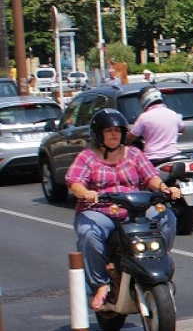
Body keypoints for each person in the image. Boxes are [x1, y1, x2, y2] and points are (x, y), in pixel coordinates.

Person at [66, 109, 180, 311]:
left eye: (117, 130)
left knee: (166, 216)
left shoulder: (134, 154)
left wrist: (164, 189)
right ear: (98, 134)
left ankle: (158, 261)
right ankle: (101, 284)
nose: (114, 134)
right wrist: (85, 192)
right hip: (101, 211)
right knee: (88, 233)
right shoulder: (87, 157)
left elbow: (150, 177)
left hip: (135, 210)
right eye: (108, 130)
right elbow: (74, 182)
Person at [128, 86, 183, 162]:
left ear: (143, 100)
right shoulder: (173, 114)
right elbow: (182, 128)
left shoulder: (144, 117)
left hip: (153, 158)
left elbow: (130, 138)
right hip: (174, 155)